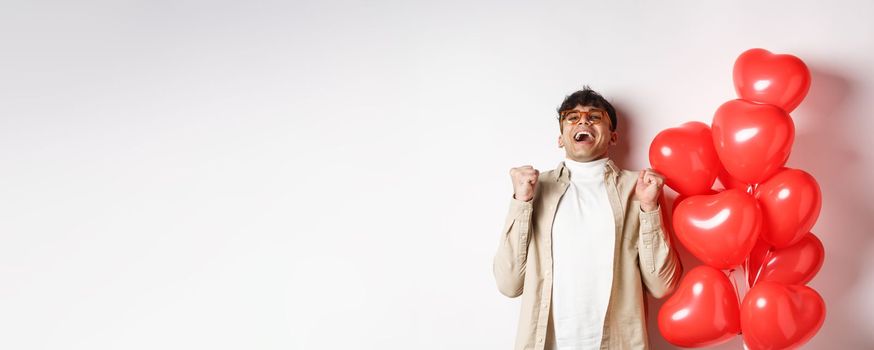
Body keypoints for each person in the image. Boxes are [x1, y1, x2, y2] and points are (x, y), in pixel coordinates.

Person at [493, 87, 683, 350]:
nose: (583, 121)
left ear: (613, 136)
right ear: (561, 138)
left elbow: (663, 285)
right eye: (572, 117)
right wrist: (521, 201)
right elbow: (508, 283)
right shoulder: (535, 188)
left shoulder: (637, 189)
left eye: (594, 117)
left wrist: (649, 206)